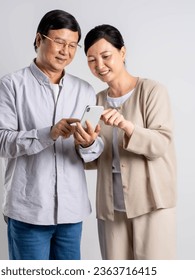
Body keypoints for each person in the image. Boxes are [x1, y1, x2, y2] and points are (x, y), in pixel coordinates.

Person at [0, 10, 102, 260]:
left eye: (72, 45)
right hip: (29, 211)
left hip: (72, 212)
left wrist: (89, 143)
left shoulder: (84, 90)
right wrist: (47, 134)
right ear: (39, 39)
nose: (65, 51)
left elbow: (93, 151)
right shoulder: (10, 85)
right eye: (59, 42)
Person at [76, 24, 177, 259]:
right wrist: (86, 143)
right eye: (91, 59)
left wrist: (126, 125)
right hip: (111, 209)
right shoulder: (95, 101)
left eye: (105, 56)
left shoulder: (152, 91)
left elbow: (161, 143)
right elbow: (90, 160)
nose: (99, 65)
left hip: (152, 203)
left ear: (122, 52)